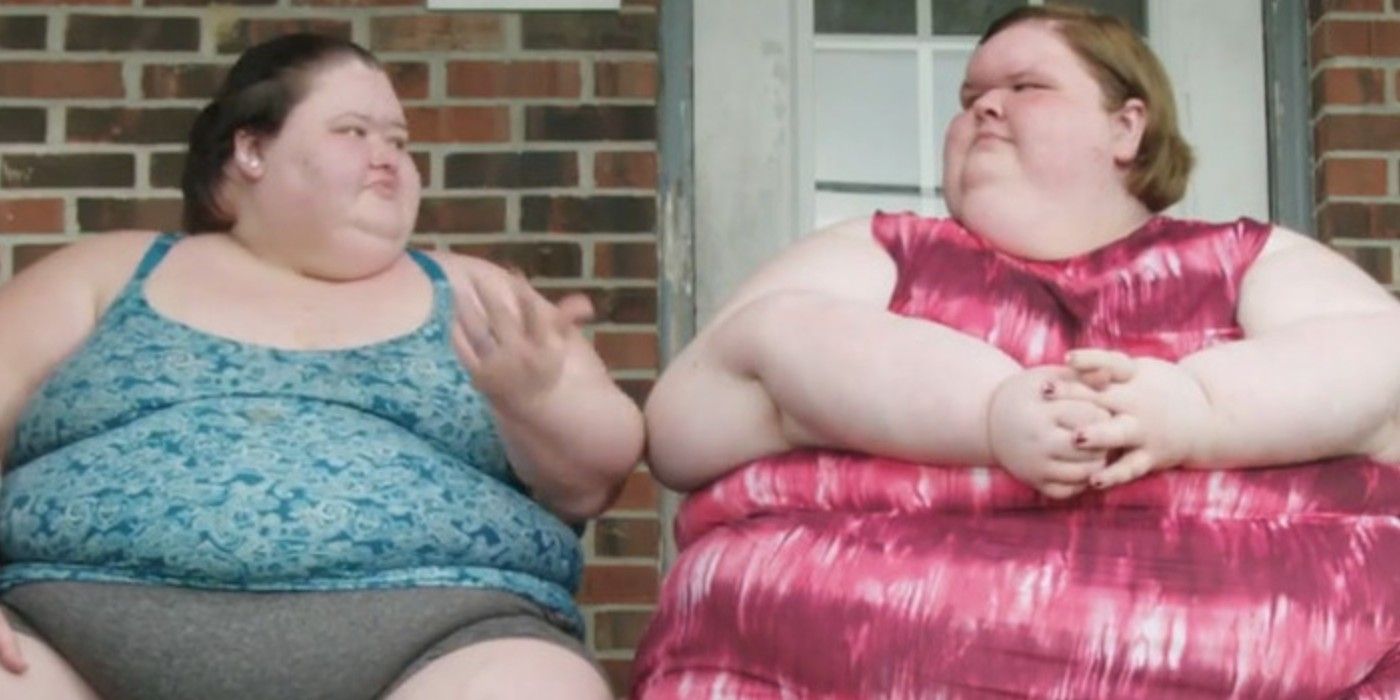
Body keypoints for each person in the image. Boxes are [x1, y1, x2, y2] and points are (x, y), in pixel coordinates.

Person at [634, 6, 1400, 698]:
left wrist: (1196, 411)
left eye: (1026, 86)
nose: (983, 108)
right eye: (969, 99)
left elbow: (1381, 362)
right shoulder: (878, 251)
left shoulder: (1245, 262)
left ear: (1127, 127)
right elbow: (687, 418)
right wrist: (987, 416)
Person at [0, 33, 643, 700]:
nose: (387, 160)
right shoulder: (109, 272)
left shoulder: (476, 295)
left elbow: (597, 478)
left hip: (444, 643)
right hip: (62, 639)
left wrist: (534, 402)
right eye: (353, 132)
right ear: (252, 150)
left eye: (399, 141)